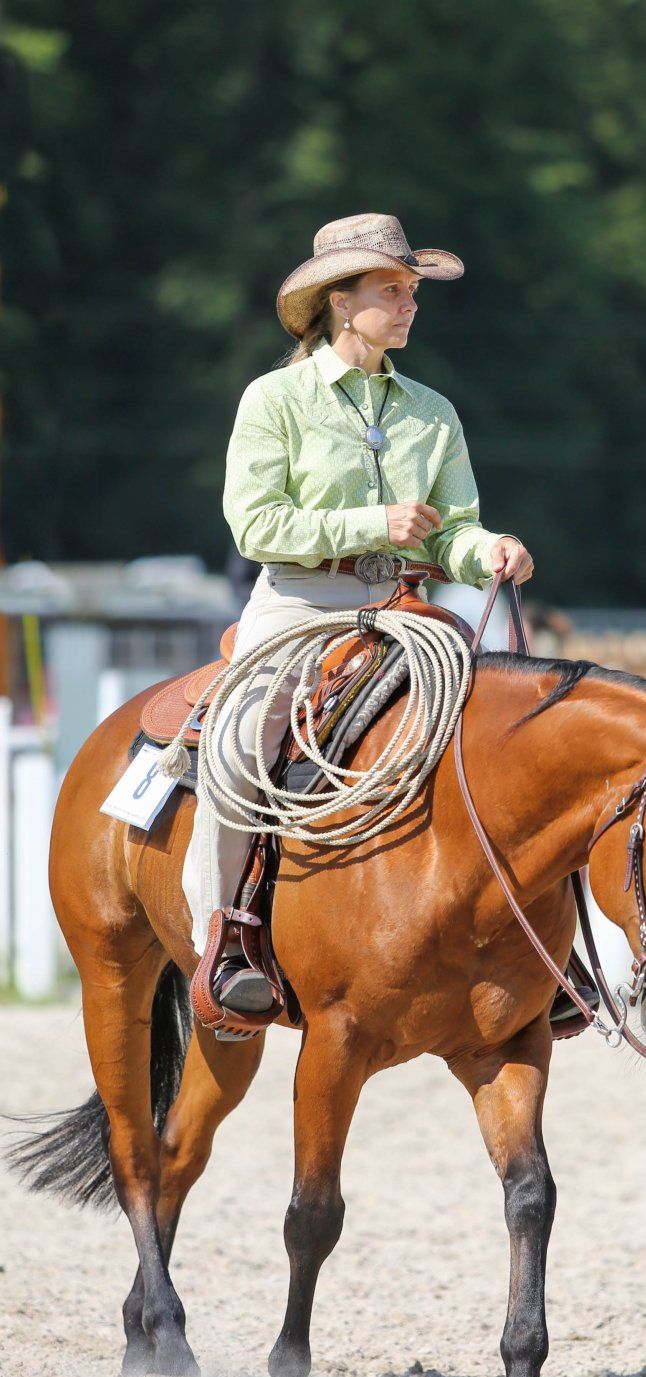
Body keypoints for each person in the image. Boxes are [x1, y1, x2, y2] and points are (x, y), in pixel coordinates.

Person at [181, 213, 534, 1016]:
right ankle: (224, 939)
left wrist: (491, 549)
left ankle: (541, 951)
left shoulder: (433, 412)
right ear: (339, 302)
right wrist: (373, 524)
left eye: (413, 291)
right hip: (301, 604)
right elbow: (256, 525)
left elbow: (452, 530)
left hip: (406, 607)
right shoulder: (274, 399)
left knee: (515, 742)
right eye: (392, 290)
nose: (410, 304)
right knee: (240, 743)